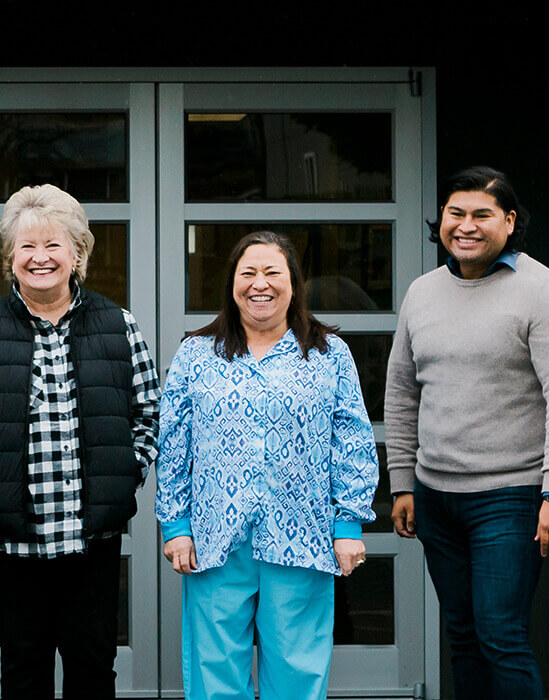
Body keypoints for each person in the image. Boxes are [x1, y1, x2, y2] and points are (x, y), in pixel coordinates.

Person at [0, 184, 161, 699]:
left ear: (78, 254)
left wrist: (126, 473)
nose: (40, 258)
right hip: (9, 540)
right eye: (27, 247)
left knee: (93, 668)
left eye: (54, 245)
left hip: (91, 537)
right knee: (24, 670)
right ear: (11, 258)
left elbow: (149, 416)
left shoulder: (119, 326)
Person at [383, 167, 549, 698]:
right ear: (442, 220)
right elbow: (403, 392)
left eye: (481, 214)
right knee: (463, 635)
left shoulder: (545, 294)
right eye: (456, 213)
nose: (466, 226)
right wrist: (403, 482)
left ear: (509, 221)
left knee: (502, 635)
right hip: (435, 497)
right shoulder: (422, 293)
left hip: (512, 497)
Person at [158, 231, 377, 700]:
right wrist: (175, 525)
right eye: (248, 273)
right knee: (215, 671)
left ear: (293, 284)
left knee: (297, 672)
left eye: (272, 272)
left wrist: (349, 524)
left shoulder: (327, 354)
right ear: (232, 284)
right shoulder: (197, 354)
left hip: (302, 535)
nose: (260, 284)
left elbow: (352, 439)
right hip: (215, 538)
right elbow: (174, 445)